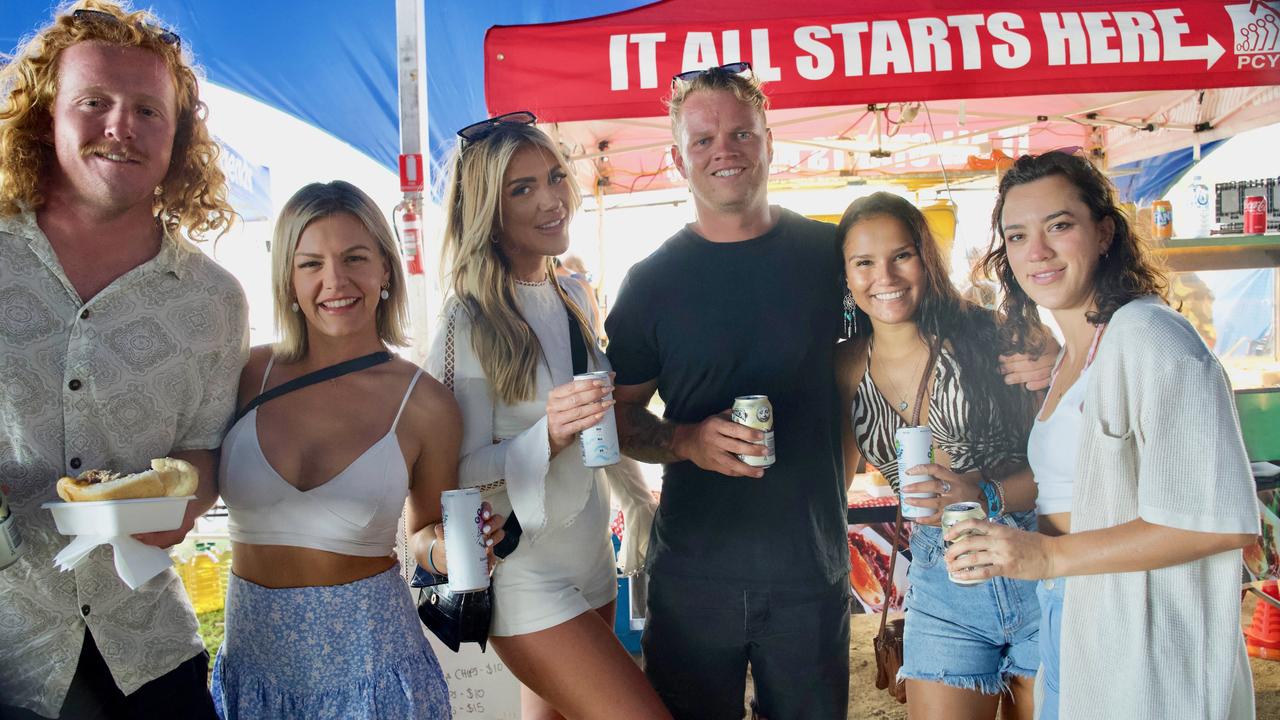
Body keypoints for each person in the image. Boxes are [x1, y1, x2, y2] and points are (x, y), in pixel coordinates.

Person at [0, 3, 248, 717]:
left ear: (178, 138)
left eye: (148, 110)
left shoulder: (213, 299)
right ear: (46, 116)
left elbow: (199, 455)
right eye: (94, 103)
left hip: (148, 652)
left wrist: (185, 504)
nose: (121, 127)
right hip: (10, 649)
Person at [949, 150, 1259, 719]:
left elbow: (1220, 521)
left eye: (1059, 226)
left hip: (1141, 626)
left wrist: (1047, 556)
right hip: (1076, 606)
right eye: (1016, 236)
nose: (1036, 251)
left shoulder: (1152, 337)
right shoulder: (1079, 351)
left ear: (1105, 233)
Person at [604, 63, 851, 720]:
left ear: (769, 141)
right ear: (676, 157)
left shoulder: (831, 257)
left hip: (811, 570)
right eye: (705, 139)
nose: (726, 152)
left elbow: (893, 353)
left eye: (741, 134)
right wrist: (683, 440)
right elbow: (617, 417)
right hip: (693, 579)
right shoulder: (651, 282)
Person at [431, 114, 669, 720]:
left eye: (555, 177)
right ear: (489, 209)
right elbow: (453, 473)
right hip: (524, 573)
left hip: (589, 557)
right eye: (522, 188)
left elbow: (599, 432)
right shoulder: (469, 319)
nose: (551, 199)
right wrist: (550, 434)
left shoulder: (570, 295)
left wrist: (642, 501)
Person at [835, 192, 1041, 720]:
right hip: (940, 576)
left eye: (901, 255)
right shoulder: (845, 366)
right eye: (864, 262)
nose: (886, 276)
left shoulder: (993, 335)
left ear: (926, 258)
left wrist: (987, 492)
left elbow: (1070, 464)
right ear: (846, 274)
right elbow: (834, 482)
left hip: (1036, 555)